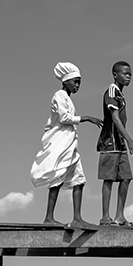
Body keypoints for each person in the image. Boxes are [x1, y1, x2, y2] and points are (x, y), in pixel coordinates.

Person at [30, 62, 103, 227]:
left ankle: (77, 218)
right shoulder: (59, 95)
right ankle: (49, 217)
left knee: (79, 179)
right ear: (65, 81)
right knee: (58, 177)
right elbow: (64, 118)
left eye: (79, 82)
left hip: (69, 144)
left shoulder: (67, 98)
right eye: (74, 81)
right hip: (60, 143)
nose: (77, 85)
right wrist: (87, 118)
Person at [97, 61, 133, 226]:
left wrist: (125, 140)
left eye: (130, 74)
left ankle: (119, 216)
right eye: (125, 73)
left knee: (126, 177)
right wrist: (130, 139)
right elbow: (114, 117)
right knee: (108, 178)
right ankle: (105, 217)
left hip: (119, 142)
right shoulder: (112, 91)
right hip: (110, 141)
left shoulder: (121, 94)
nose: (128, 77)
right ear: (115, 74)